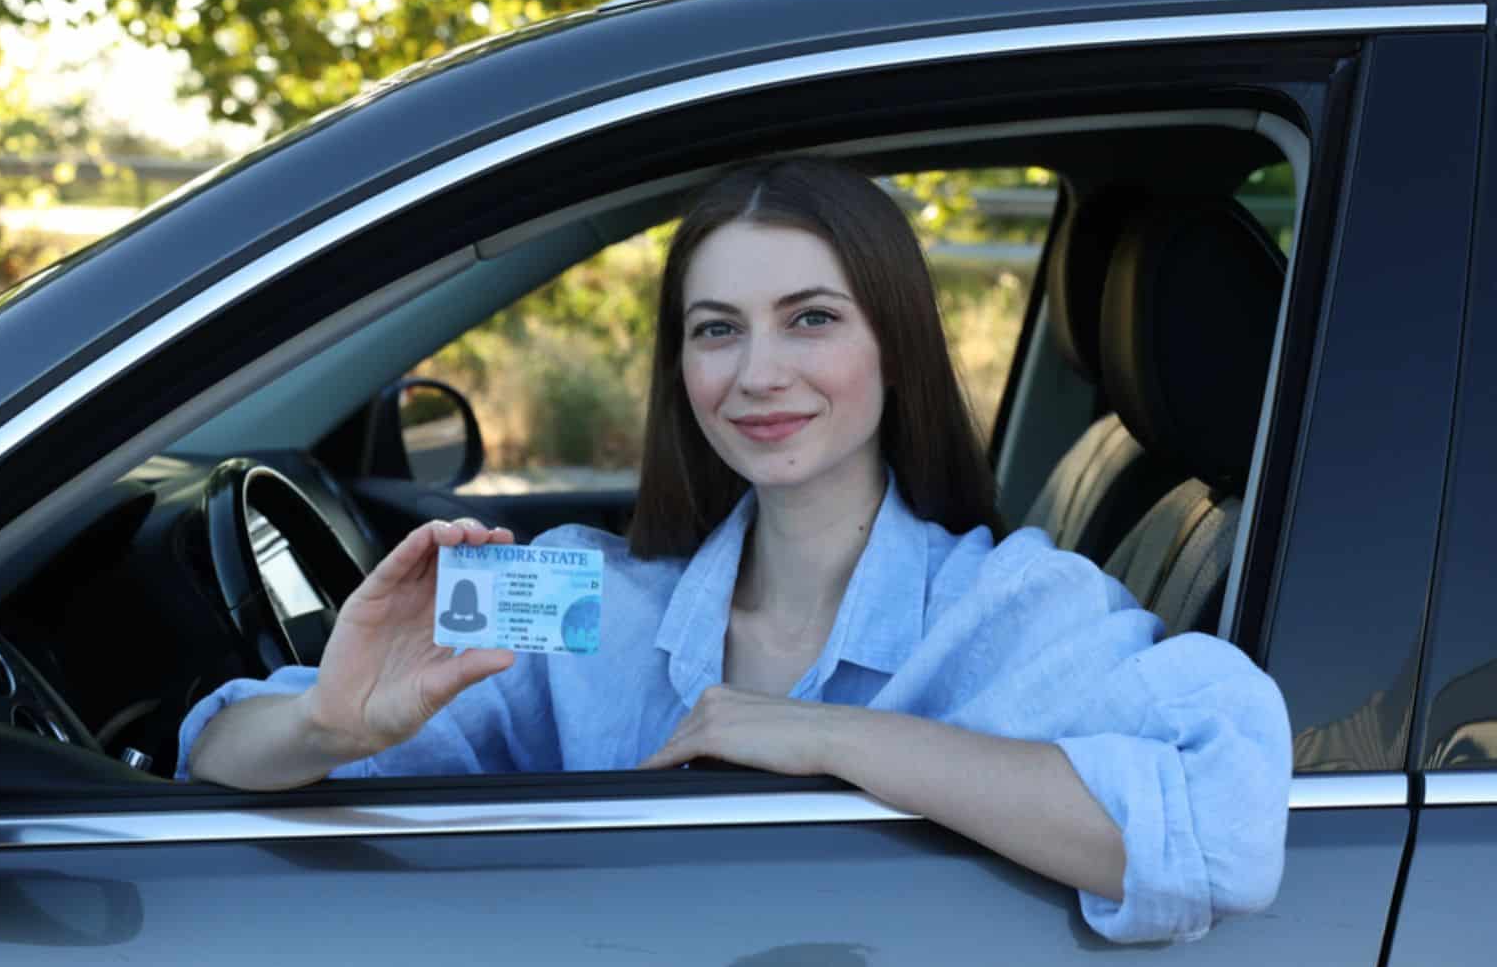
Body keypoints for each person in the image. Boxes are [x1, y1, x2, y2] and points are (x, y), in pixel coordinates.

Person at [178, 157, 1292, 945]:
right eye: (716, 328)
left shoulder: (1007, 603)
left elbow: (1226, 824)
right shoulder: (570, 588)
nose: (757, 372)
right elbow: (216, 749)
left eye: (811, 317)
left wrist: (829, 736)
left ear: (894, 345)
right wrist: (329, 720)